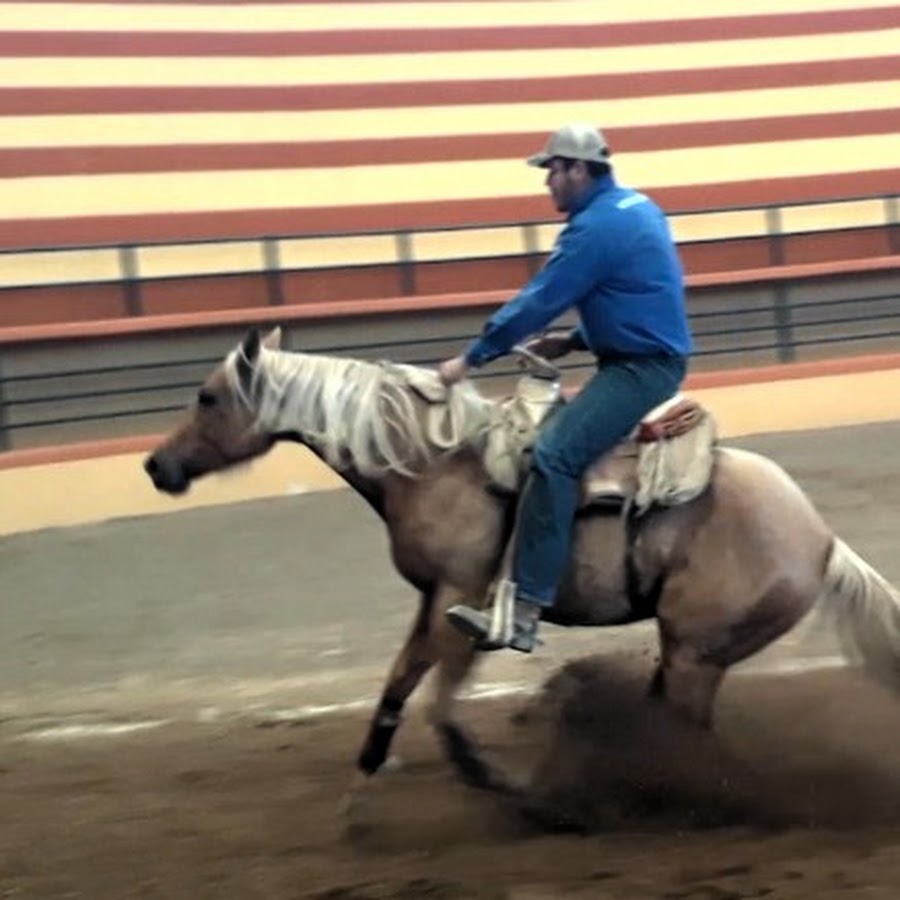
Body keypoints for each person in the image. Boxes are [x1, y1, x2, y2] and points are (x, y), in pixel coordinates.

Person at [438, 122, 693, 653]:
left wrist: (472, 359)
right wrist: (575, 341)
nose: (547, 181)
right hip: (641, 358)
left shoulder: (593, 230)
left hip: (638, 371)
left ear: (579, 169)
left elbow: (537, 300)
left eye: (552, 169)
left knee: (553, 455)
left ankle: (527, 609)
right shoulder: (636, 208)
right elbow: (640, 292)